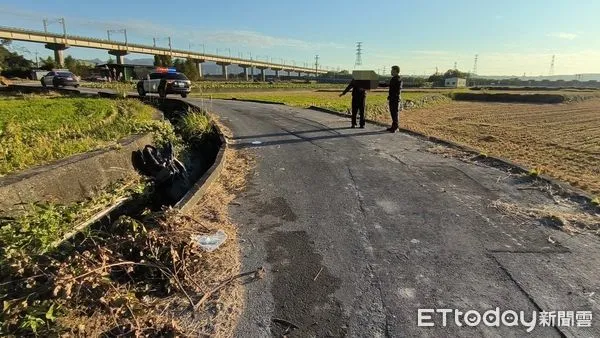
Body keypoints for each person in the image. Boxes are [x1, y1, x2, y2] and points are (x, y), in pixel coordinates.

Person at [387, 65, 402, 132]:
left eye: (392, 70)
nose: (391, 71)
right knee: (393, 113)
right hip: (392, 98)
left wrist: (393, 96)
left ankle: (396, 127)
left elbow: (397, 90)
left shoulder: (398, 79)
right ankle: (393, 126)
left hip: (395, 99)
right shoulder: (393, 79)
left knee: (395, 113)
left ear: (395, 71)